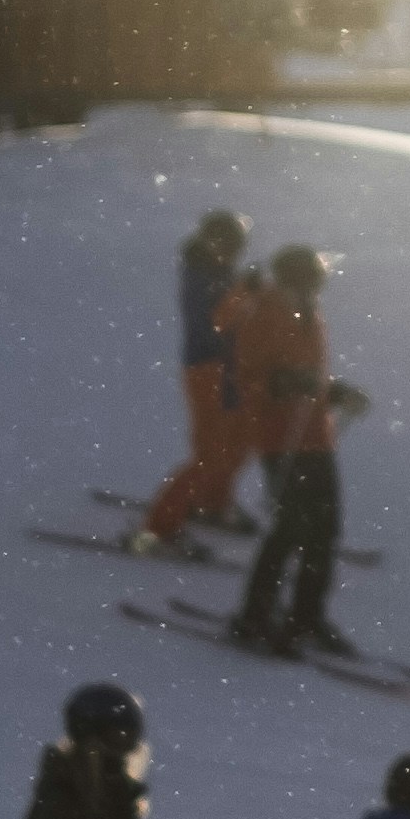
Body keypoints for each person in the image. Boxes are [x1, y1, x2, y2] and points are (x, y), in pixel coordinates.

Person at [226, 244, 365, 662]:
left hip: (315, 436)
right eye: (310, 283)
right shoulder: (264, 314)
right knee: (290, 528)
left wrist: (334, 391)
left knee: (325, 529)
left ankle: (306, 616)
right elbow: (247, 379)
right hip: (280, 438)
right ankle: (254, 614)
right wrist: (285, 384)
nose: (315, 291)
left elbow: (311, 376)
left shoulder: (308, 314)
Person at [130, 205, 257, 557]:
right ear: (210, 240)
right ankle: (159, 527)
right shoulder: (201, 273)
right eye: (228, 243)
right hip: (207, 368)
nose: (233, 251)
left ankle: (212, 503)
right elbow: (218, 320)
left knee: (238, 439)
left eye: (237, 245)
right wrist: (246, 291)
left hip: (229, 367)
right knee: (211, 451)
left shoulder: (217, 269)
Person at [22, 680, 154, 819]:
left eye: (129, 737)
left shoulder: (117, 790)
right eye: (117, 736)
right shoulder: (62, 795)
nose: (125, 747)